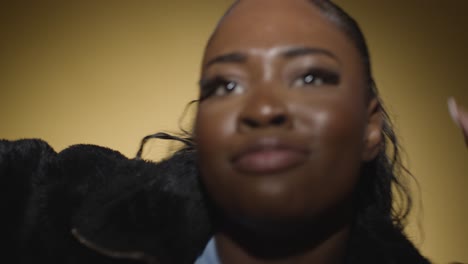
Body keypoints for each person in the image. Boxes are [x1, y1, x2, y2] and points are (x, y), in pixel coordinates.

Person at [1, 0, 467, 263]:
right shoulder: (47, 205)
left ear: (370, 128)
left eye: (309, 77)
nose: (262, 108)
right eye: (226, 84)